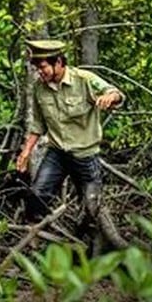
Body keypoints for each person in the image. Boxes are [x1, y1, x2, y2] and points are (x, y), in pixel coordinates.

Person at [16, 39, 124, 223]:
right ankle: (39, 238)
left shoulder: (83, 79)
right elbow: (38, 124)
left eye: (43, 67)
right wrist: (25, 153)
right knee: (37, 196)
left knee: (91, 206)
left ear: (58, 62)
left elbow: (115, 93)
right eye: (37, 68)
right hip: (57, 153)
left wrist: (110, 97)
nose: (40, 73)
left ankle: (85, 243)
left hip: (85, 156)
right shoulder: (39, 88)